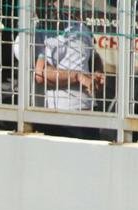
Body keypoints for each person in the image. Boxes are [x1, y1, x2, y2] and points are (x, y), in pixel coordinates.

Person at [34, 0, 105, 136]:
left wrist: (98, 73)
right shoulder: (38, 32)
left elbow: (94, 55)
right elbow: (41, 74)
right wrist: (78, 77)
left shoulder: (80, 27)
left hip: (89, 111)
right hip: (60, 115)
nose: (49, 4)